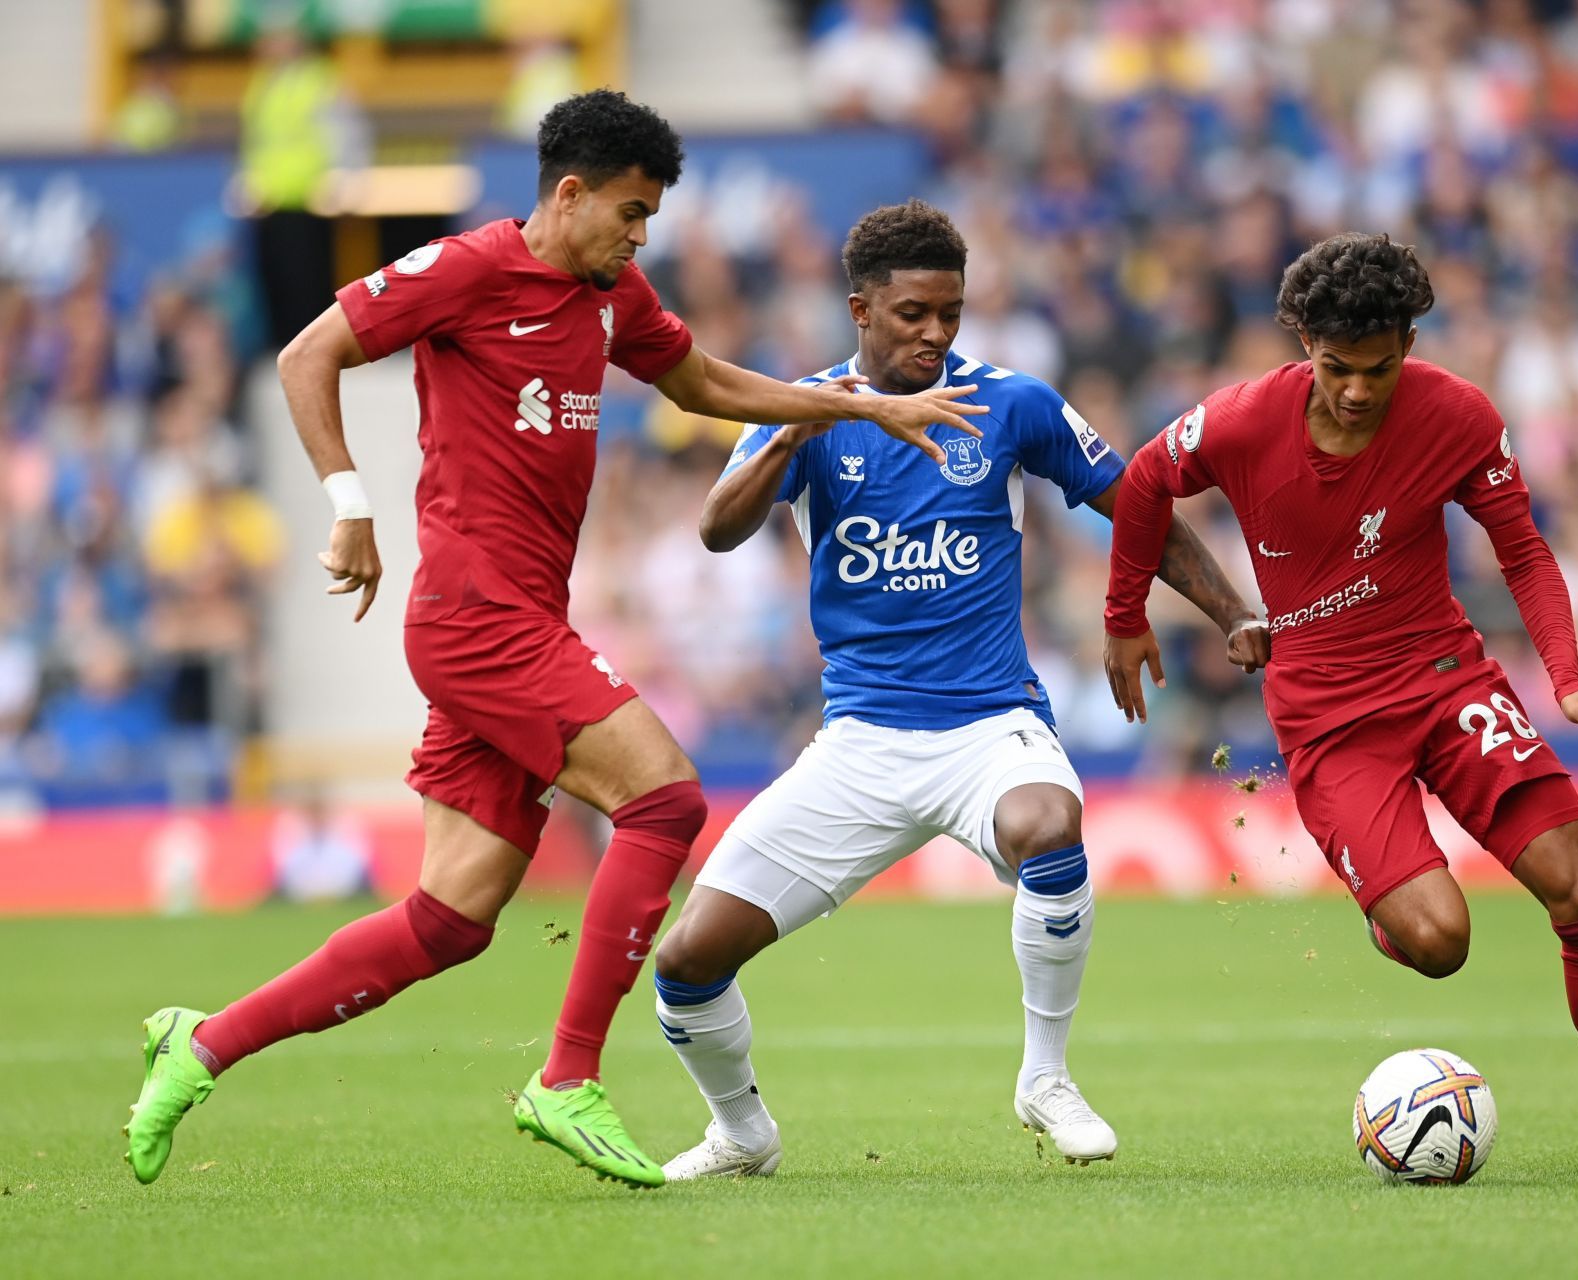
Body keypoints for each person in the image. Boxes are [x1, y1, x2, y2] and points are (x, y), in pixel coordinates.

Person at [123, 92, 986, 1189]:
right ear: (568, 193)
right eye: (630, 212)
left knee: (449, 918)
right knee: (666, 797)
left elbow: (703, 383)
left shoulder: (612, 290)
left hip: (524, 618)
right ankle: (568, 1076)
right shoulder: (466, 270)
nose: (641, 237)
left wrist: (857, 404)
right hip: (477, 618)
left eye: (651, 219)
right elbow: (308, 354)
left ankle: (200, 1042)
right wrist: (349, 503)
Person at [647, 200, 1266, 1178]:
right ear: (860, 308)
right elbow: (719, 529)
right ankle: (741, 1131)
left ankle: (1046, 1075)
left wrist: (1233, 610)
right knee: (685, 965)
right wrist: (800, 426)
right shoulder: (802, 405)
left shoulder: (1011, 403)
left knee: (1050, 825)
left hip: (989, 725)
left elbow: (1137, 502)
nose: (936, 332)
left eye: (951, 312)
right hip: (857, 745)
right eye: (913, 315)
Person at [1103, 233, 1578, 1172]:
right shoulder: (1240, 420)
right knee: (1438, 944)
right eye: (1337, 367)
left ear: (1410, 344)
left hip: (1445, 679)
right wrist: (1123, 614)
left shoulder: (1459, 416)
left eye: (1380, 368)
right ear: (1303, 341)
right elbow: (1143, 479)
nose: (1356, 390)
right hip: (1331, 720)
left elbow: (1523, 551)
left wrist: (1567, 676)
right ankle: (1384, 893)